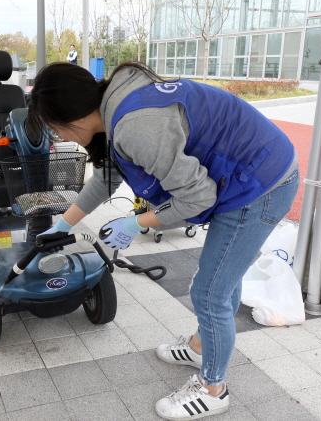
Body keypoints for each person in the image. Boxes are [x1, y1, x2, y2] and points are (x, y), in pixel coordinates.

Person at [28, 62, 299, 420]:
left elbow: (196, 199)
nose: (57, 137)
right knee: (220, 277)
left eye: (53, 127)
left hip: (259, 184)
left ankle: (213, 389)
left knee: (210, 291)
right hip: (245, 175)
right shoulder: (115, 104)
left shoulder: (135, 125)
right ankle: (204, 346)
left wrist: (136, 222)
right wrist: (62, 225)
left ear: (70, 115)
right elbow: (107, 178)